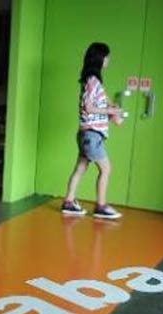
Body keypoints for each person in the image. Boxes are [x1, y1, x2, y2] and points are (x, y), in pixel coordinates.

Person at [61, 42, 123, 219]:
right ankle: (101, 206)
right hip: (91, 136)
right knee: (106, 169)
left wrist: (112, 110)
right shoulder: (93, 81)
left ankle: (69, 202)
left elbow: (99, 105)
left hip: (87, 135)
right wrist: (110, 111)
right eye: (107, 57)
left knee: (80, 169)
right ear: (100, 58)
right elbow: (88, 108)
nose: (108, 60)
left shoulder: (92, 81)